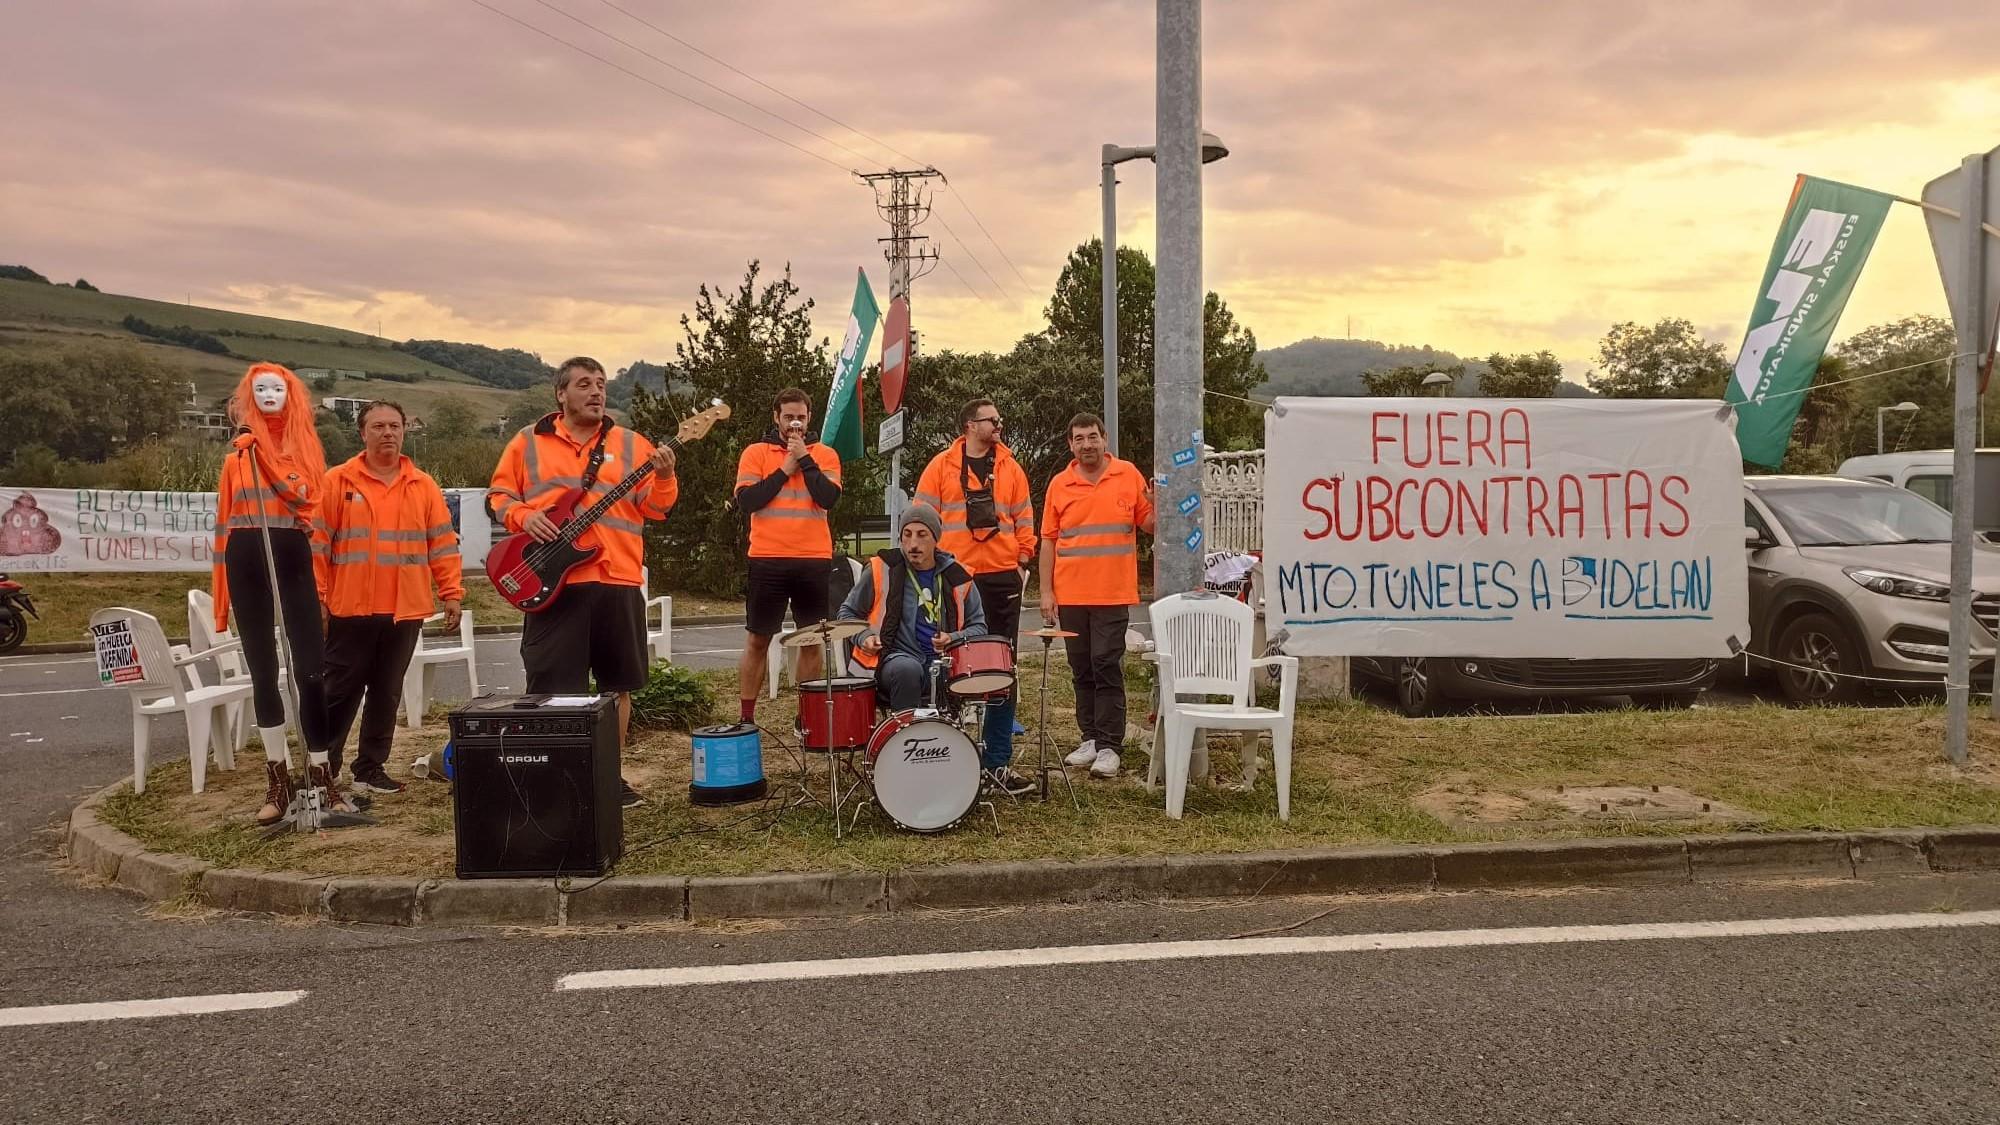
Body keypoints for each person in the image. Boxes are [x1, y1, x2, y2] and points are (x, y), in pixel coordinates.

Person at [487, 356, 678, 807]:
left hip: (617, 577)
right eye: (584, 384)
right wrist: (524, 516)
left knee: (619, 685)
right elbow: (498, 496)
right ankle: (556, 777)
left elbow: (656, 508)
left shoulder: (633, 445)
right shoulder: (526, 442)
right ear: (561, 394)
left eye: (601, 385)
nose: (596, 392)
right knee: (552, 686)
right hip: (553, 583)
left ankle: (608, 776)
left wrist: (666, 476)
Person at [210, 362, 353, 825]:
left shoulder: (305, 451)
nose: (269, 395)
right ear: (248, 397)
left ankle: (320, 770)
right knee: (263, 670)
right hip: (246, 552)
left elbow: (312, 503)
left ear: (291, 395)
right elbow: (222, 524)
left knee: (310, 670)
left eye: (277, 388)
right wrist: (220, 597)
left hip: (291, 549)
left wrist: (268, 461)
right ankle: (277, 775)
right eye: (260, 389)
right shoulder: (236, 457)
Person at [314, 400, 464, 796]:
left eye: (395, 426)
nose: (388, 433)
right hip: (350, 608)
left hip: (404, 610)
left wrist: (451, 593)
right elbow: (317, 545)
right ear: (362, 433)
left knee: (386, 691)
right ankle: (323, 767)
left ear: (404, 431)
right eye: (378, 426)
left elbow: (442, 545)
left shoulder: (423, 485)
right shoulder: (338, 481)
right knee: (339, 691)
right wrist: (319, 598)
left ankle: (369, 768)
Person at [915, 397, 1036, 793]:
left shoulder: (1010, 467)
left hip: (1002, 576)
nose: (999, 425)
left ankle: (997, 764)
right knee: (948, 664)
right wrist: (934, 567)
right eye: (992, 420)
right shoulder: (940, 466)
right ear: (969, 425)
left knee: (1002, 668)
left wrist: (1021, 562)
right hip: (956, 576)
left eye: (1000, 419)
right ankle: (950, 759)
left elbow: (1025, 519)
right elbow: (921, 521)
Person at [1041, 413, 1155, 779]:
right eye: (1079, 438)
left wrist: (1161, 504)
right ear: (1070, 445)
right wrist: (1046, 591)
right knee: (1081, 668)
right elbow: (1049, 541)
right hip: (1072, 595)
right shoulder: (1060, 484)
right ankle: (1089, 737)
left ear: (1105, 439)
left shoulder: (1128, 475)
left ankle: (1109, 745)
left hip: (1111, 593)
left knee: (1106, 665)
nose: (1086, 444)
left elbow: (1149, 524)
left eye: (1092, 437)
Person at [733, 387, 841, 720]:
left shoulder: (825, 454)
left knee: (810, 639)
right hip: (768, 558)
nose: (795, 423)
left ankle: (807, 716)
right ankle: (746, 717)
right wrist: (785, 467)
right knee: (758, 639)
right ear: (776, 417)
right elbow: (749, 500)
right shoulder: (756, 453)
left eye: (801, 417)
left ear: (809, 418)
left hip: (813, 560)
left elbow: (827, 498)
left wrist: (805, 460)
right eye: (789, 417)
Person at [839, 503, 992, 730]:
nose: (913, 544)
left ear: (935, 539)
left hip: (944, 663)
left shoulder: (958, 576)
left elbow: (979, 627)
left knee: (966, 678)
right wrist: (864, 637)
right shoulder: (882, 569)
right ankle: (904, 741)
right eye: (907, 535)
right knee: (908, 670)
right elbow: (846, 613)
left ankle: (945, 744)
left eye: (922, 535)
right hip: (892, 659)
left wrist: (953, 637)